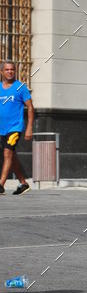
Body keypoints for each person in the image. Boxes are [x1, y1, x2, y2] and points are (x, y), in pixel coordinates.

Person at [0, 60, 34, 195]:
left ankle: (1, 184)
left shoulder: (21, 88)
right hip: (1, 128)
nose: (10, 72)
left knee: (7, 153)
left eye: (12, 69)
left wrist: (29, 128)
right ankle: (23, 183)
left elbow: (30, 108)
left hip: (15, 127)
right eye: (7, 69)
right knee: (12, 156)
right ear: (2, 72)